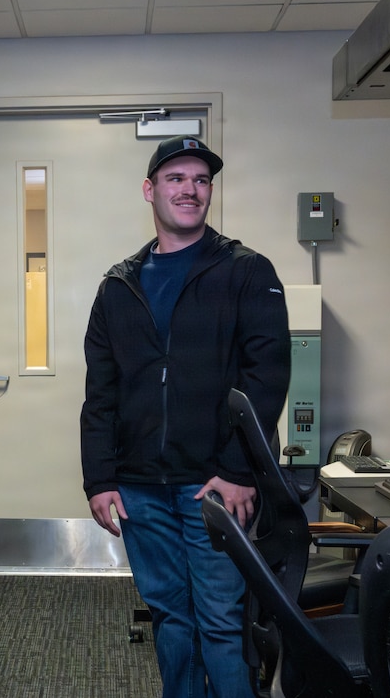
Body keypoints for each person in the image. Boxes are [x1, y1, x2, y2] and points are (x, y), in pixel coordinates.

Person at [79, 135, 291, 698]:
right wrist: (100, 478)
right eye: (176, 179)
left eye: (200, 180)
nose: (189, 189)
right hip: (141, 487)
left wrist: (240, 470)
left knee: (221, 621)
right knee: (171, 617)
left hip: (214, 485)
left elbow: (267, 380)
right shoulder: (118, 286)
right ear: (150, 191)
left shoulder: (246, 271)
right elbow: (100, 392)